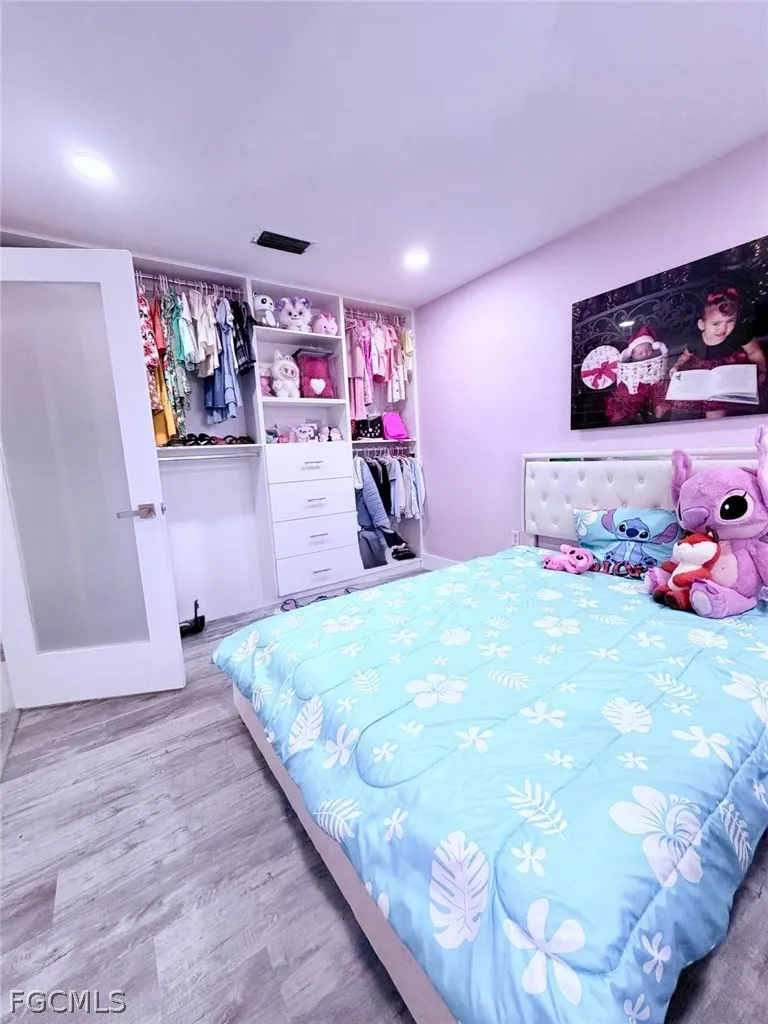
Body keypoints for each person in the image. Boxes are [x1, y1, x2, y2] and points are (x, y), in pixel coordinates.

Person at [661, 287, 767, 420]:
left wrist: (762, 370)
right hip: (703, 377)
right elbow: (686, 355)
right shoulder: (696, 340)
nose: (723, 328)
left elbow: (754, 352)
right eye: (716, 323)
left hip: (732, 375)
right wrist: (677, 365)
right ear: (702, 324)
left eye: (730, 321)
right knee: (679, 405)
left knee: (716, 412)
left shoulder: (739, 335)